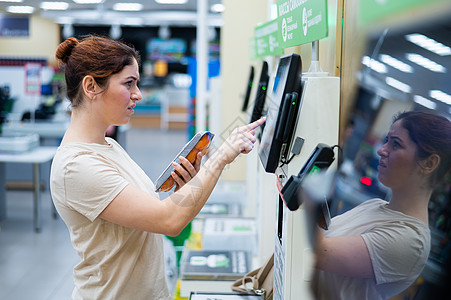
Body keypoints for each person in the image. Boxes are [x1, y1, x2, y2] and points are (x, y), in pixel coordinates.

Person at [50, 35, 265, 299]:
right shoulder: (76, 166)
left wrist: (185, 186)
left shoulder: (108, 146)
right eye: (129, 84)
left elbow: (153, 213)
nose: (137, 94)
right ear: (91, 86)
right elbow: (168, 220)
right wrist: (220, 158)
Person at [312, 111, 451, 299]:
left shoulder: (410, 240)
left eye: (395, 144)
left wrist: (305, 186)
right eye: (387, 140)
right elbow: (323, 233)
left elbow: (318, 253)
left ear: (429, 163)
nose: (381, 150)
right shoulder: (376, 205)